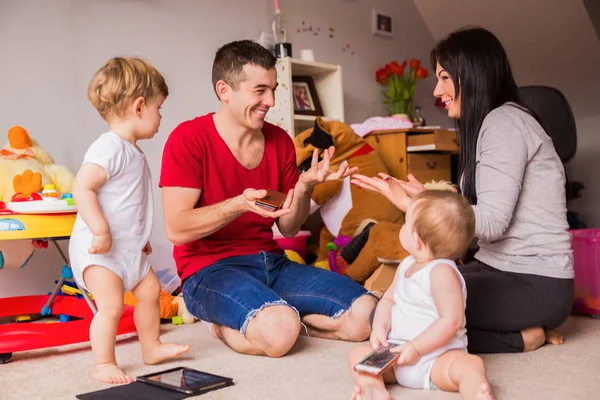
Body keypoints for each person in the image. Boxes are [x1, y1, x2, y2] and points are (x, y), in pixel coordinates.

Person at [352, 27, 573, 354]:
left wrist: (423, 201)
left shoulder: (504, 124)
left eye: (444, 77)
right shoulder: (494, 123)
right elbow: (472, 217)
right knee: (399, 300)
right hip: (501, 270)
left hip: (534, 282)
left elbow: (492, 222)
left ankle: (522, 337)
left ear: (470, 76)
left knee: (406, 316)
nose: (437, 90)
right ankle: (523, 326)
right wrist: (421, 199)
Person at [159, 40, 378, 358]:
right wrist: (238, 203)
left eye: (273, 89)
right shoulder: (188, 139)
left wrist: (303, 188)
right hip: (208, 271)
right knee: (278, 335)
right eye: (260, 91)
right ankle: (221, 324)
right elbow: (177, 228)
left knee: (366, 315)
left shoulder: (280, 141)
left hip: (270, 263)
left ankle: (282, 315)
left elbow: (288, 228)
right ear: (225, 90)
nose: (271, 101)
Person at [69, 57, 189, 384]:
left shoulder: (133, 151)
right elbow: (82, 187)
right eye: (159, 108)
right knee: (111, 305)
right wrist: (101, 230)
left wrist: (139, 236)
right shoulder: (109, 147)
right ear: (139, 107)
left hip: (129, 248)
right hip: (101, 250)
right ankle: (104, 363)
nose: (161, 116)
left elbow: (127, 203)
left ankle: (151, 346)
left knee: (150, 291)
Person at [348, 190, 494, 400]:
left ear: (416, 240)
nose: (402, 227)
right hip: (397, 356)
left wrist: (416, 348)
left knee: (470, 364)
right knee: (357, 356)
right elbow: (389, 299)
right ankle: (374, 389)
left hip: (437, 359)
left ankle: (475, 391)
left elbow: (451, 320)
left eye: (406, 223)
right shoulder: (407, 264)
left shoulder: (442, 273)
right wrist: (379, 327)